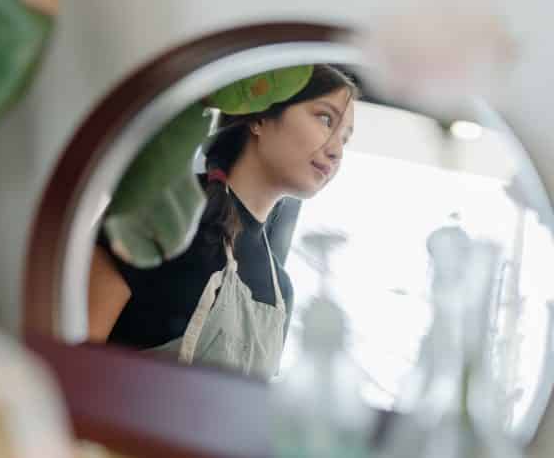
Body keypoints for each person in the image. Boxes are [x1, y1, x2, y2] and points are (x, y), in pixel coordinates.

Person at [87, 64, 359, 379]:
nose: (337, 151)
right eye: (325, 119)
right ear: (260, 116)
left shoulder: (281, 291)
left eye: (345, 138)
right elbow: (69, 355)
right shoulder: (162, 211)